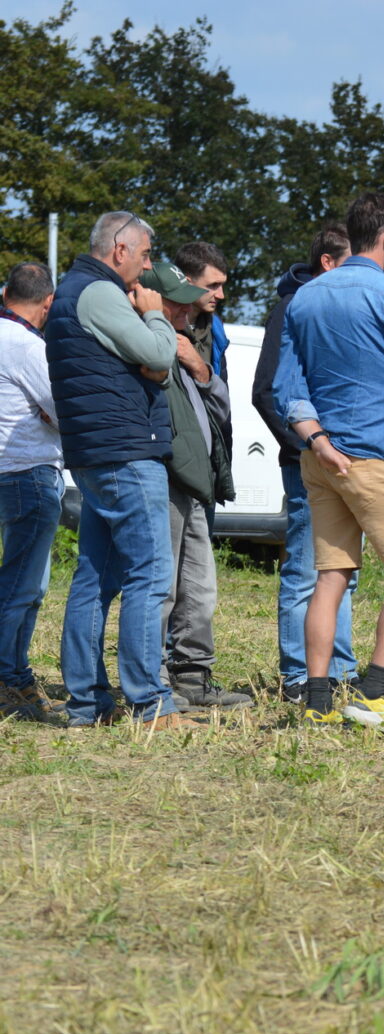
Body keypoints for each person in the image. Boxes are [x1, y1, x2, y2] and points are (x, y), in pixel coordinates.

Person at [273, 192, 384, 732]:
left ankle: (317, 700)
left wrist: (316, 439)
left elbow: (285, 387)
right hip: (373, 456)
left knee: (331, 574)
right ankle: (374, 691)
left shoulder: (304, 298)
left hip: (320, 457)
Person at [45, 211, 196, 730]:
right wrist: (156, 314)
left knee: (95, 577)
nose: (149, 268)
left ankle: (87, 704)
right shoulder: (101, 293)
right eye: (147, 254)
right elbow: (159, 354)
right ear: (119, 251)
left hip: (94, 453)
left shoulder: (70, 292)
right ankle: (151, 704)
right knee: (150, 575)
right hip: (126, 452)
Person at [253, 224, 360, 703]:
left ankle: (339, 670)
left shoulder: (338, 312)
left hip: (345, 461)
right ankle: (299, 674)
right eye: (351, 261)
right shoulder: (292, 308)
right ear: (328, 264)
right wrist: (306, 446)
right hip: (306, 463)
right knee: (304, 570)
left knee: (342, 571)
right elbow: (267, 391)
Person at [137, 261, 247, 710]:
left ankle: (193, 680)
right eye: (176, 305)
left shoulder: (188, 340)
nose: (187, 312)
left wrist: (199, 368)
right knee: (163, 588)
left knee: (200, 590)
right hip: (166, 478)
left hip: (197, 482)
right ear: (153, 303)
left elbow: (220, 407)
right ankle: (156, 681)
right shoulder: (146, 343)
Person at [0, 262, 62, 721]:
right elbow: (62, 411)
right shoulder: (25, 345)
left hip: (9, 471)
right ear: (48, 303)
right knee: (22, 586)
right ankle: (9, 680)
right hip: (28, 470)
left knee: (22, 583)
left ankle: (15, 676)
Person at [174, 242, 230, 383]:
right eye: (213, 286)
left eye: (222, 285)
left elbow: (221, 394)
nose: (220, 295)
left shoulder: (216, 330)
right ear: (186, 283)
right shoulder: (158, 325)